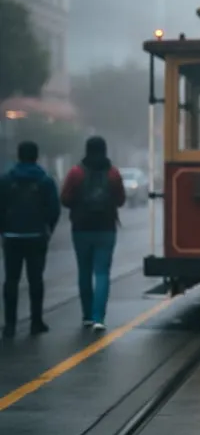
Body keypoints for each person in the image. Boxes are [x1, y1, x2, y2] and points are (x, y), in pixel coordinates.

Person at [60, 136, 126, 331]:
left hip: (81, 228)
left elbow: (64, 199)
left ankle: (87, 315)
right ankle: (99, 318)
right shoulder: (113, 173)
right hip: (106, 228)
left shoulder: (76, 172)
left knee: (84, 271)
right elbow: (121, 200)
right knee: (102, 273)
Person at [0, 140, 60, 338]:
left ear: (19, 156)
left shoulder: (6, 180)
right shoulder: (45, 180)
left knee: (11, 280)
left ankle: (10, 325)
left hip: (12, 237)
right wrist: (47, 229)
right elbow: (54, 209)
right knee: (36, 280)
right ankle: (36, 322)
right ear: (36, 156)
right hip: (36, 237)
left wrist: (4, 231)